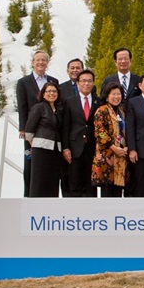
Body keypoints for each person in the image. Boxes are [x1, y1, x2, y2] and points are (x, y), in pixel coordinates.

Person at [16, 49, 59, 196]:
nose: (41, 62)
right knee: (30, 163)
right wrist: (23, 128)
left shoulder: (53, 81)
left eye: (44, 60)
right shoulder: (23, 82)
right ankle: (29, 195)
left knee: (48, 167)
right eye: (38, 60)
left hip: (49, 131)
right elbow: (22, 106)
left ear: (47, 62)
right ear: (33, 63)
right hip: (31, 130)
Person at [61, 68, 100, 197]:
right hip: (74, 148)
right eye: (83, 81)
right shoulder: (69, 101)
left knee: (91, 183)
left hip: (93, 147)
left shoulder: (98, 102)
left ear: (93, 83)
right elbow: (66, 126)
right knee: (74, 182)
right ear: (77, 83)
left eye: (89, 81)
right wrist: (65, 147)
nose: (86, 84)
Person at [24, 82, 62, 197]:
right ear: (43, 94)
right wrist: (34, 144)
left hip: (55, 149)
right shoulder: (39, 107)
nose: (52, 93)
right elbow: (29, 130)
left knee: (53, 179)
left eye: (54, 91)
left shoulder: (58, 109)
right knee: (40, 179)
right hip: (41, 149)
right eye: (48, 91)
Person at [91, 81, 129, 197]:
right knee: (107, 193)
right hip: (107, 156)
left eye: (118, 94)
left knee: (118, 193)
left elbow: (127, 131)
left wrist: (126, 147)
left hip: (121, 156)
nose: (116, 97)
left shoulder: (122, 112)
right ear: (107, 96)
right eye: (113, 94)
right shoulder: (102, 110)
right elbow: (100, 132)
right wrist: (113, 147)